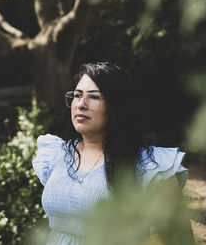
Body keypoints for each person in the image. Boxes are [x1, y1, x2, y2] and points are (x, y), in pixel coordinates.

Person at [32, 62, 194, 244]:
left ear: (117, 105)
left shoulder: (149, 166)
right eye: (77, 95)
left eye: (94, 97)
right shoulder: (58, 155)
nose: (81, 104)